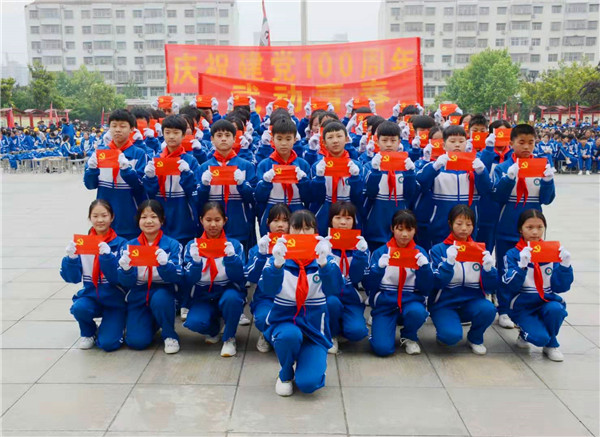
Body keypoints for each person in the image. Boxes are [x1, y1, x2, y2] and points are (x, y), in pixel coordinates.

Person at [258, 210, 343, 396]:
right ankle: (285, 373)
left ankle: (311, 362)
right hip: (285, 324)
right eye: (296, 228)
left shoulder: (326, 259)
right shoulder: (278, 257)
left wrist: (324, 264)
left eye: (307, 228)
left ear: (315, 232)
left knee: (308, 384)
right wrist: (277, 265)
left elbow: (335, 289)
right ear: (288, 231)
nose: (302, 233)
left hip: (314, 331)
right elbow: (267, 289)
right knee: (289, 336)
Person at [492, 124, 556, 329]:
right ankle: (503, 310)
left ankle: (525, 308)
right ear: (511, 143)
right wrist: (509, 178)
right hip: (507, 227)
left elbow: (547, 199)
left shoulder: (541, 165)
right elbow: (497, 197)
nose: (527, 147)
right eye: (521, 142)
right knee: (505, 268)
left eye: (531, 142)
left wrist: (548, 181)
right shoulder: (503, 167)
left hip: (533, 230)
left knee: (530, 267)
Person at [502, 210, 573, 361]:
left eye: (540, 227)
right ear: (520, 229)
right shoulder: (512, 254)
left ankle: (551, 344)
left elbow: (560, 287)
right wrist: (521, 267)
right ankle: (525, 333)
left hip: (546, 302)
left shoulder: (551, 252)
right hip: (523, 307)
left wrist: (565, 267)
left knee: (556, 309)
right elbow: (510, 286)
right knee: (539, 338)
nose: (535, 232)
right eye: (529, 227)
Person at [429, 205, 498, 354]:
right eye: (459, 224)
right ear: (450, 224)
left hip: (471, 302)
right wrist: (448, 264)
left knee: (488, 309)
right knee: (450, 337)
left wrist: (489, 270)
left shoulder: (480, 250)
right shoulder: (438, 250)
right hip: (444, 304)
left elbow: (491, 287)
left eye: (469, 224)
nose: (464, 229)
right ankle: (446, 330)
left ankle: (475, 338)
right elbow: (436, 283)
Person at [61, 200, 128, 351]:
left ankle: (117, 324)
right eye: (95, 216)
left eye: (104, 215)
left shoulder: (121, 244)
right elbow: (72, 278)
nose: (100, 220)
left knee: (108, 344)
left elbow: (118, 279)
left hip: (114, 301)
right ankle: (88, 332)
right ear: (89, 218)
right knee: (79, 308)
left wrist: (108, 258)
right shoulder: (82, 243)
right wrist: (71, 259)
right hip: (91, 296)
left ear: (112, 217)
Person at [117, 200, 182, 354]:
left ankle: (169, 334)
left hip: (163, 291)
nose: (148, 221)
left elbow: (178, 276)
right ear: (138, 220)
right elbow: (125, 282)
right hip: (138, 294)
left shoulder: (172, 245)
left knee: (160, 298)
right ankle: (152, 323)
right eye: (144, 217)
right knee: (136, 342)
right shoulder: (129, 246)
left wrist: (165, 266)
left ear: (162, 220)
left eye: (153, 216)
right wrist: (126, 270)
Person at [365, 209, 433, 356]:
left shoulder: (420, 253)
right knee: (382, 349)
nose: (404, 234)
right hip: (385, 304)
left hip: (410, 302)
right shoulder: (380, 252)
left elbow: (426, 289)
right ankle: (378, 331)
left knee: (417, 312)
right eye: (400, 229)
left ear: (415, 230)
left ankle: (409, 336)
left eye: (409, 229)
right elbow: (369, 285)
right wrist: (378, 269)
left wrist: (425, 269)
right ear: (392, 228)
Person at [182, 202, 246, 357]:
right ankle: (215, 328)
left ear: (225, 220)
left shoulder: (234, 245)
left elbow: (239, 278)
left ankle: (229, 338)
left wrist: (231, 259)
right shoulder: (193, 245)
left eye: (217, 220)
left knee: (232, 299)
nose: (213, 225)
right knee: (194, 323)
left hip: (227, 292)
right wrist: (196, 263)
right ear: (201, 220)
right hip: (202, 296)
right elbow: (188, 280)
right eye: (208, 220)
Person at [416, 125, 492, 246]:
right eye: (452, 141)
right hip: (440, 226)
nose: (457, 145)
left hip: (467, 227)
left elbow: (486, 190)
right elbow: (421, 184)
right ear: (444, 145)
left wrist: (482, 172)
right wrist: (434, 167)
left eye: (461, 141)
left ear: (467, 144)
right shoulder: (436, 166)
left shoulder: (475, 167)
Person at [84, 109, 148, 240]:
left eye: (122, 126)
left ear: (132, 129)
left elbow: (141, 186)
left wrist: (127, 171)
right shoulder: (100, 153)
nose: (117, 130)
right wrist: (92, 170)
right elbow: (90, 185)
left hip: (130, 221)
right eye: (114, 126)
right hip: (104, 222)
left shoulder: (139, 154)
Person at [198, 119, 257, 250]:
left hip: (239, 226)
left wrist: (242, 185)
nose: (223, 139)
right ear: (212, 139)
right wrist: (204, 186)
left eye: (227, 135)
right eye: (219, 135)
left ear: (234, 139)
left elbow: (253, 198)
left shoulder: (246, 166)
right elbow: (198, 201)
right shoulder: (204, 168)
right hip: (212, 229)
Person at [143, 115, 201, 245]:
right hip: (159, 219)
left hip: (183, 219)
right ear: (162, 134)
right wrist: (150, 178)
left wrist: (187, 174)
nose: (171, 136)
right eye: (167, 132)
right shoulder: (156, 160)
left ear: (183, 135)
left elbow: (195, 193)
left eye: (176, 133)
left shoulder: (190, 161)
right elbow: (149, 193)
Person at [363, 121, 417, 251]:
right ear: (377, 142)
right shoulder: (369, 166)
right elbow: (370, 193)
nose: (388, 144)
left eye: (393, 140)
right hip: (376, 227)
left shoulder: (406, 165)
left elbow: (410, 195)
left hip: (401, 230)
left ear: (399, 142)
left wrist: (410, 174)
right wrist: (375, 172)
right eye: (384, 140)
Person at [246, 203, 291, 352]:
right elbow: (251, 277)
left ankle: (278, 336)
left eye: (285, 221)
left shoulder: (296, 246)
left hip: (291, 297)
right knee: (263, 317)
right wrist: (261, 255)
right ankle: (266, 334)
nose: (280, 225)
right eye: (276, 221)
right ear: (267, 223)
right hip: (265, 298)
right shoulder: (259, 247)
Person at [255, 118, 312, 236]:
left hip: (297, 214)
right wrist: (265, 183)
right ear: (272, 140)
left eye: (288, 139)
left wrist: (304, 182)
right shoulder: (264, 165)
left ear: (295, 139)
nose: (284, 143)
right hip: (272, 215)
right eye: (279, 139)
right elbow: (259, 198)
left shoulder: (303, 165)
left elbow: (308, 198)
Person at [326, 201, 370, 353]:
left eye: (348, 218)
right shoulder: (323, 244)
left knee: (358, 332)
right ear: (331, 220)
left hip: (351, 298)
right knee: (332, 303)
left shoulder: (360, 245)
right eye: (338, 218)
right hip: (328, 297)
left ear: (354, 221)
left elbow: (358, 278)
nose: (343, 222)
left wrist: (360, 255)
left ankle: (341, 326)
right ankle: (331, 334)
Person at [310, 121, 363, 235]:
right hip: (323, 219)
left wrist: (355, 178)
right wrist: (319, 179)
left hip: (348, 219)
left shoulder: (356, 166)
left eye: (339, 136)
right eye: (330, 137)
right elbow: (316, 198)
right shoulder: (318, 166)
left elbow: (358, 198)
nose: (335, 141)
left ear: (347, 139)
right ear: (324, 143)